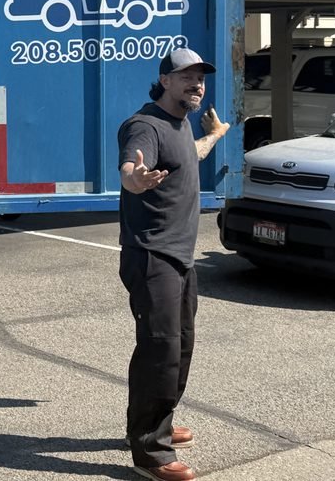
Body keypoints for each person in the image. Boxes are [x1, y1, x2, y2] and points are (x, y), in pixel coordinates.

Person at [117, 47, 230, 481]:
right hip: (152, 255)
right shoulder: (144, 125)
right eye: (186, 76)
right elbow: (131, 169)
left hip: (180, 257)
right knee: (160, 350)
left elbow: (190, 155)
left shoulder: (179, 125)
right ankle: (151, 452)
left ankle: (156, 422)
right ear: (165, 80)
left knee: (179, 347)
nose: (196, 83)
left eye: (200, 77)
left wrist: (215, 135)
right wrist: (136, 179)